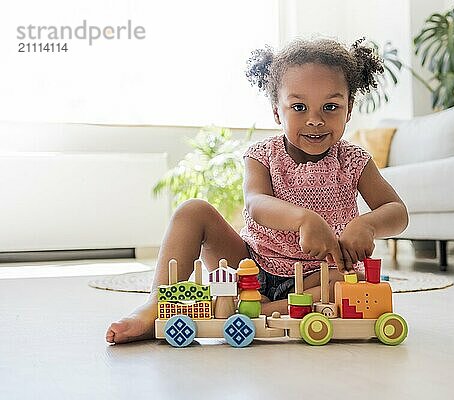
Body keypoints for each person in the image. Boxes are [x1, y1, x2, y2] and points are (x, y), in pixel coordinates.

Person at [106, 37, 409, 344]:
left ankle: (262, 311)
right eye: (299, 107)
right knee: (192, 211)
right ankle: (156, 305)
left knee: (353, 281)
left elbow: (397, 212)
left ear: (349, 110)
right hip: (252, 268)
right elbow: (256, 204)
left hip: (319, 277)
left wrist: (367, 224)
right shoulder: (263, 155)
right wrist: (304, 219)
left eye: (330, 107)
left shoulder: (354, 160)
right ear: (277, 112)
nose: (315, 120)